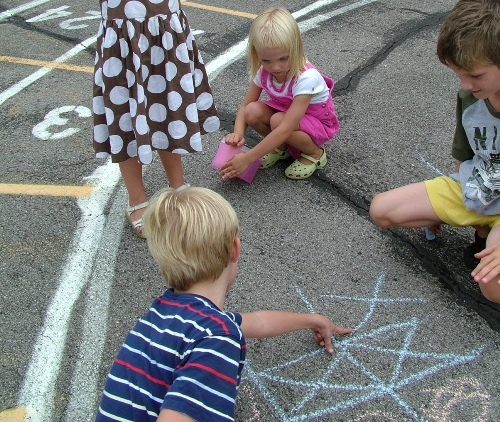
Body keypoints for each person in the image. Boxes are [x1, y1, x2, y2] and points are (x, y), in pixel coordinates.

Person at [95, 186, 352, 421]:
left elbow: (257, 322)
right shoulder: (217, 337)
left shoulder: (169, 310)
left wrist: (313, 319)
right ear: (234, 249)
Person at [369, 0, 500, 304]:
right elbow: (466, 153)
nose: (465, 84)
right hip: (478, 188)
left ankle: (486, 235)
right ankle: (479, 229)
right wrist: (448, 208)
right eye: (458, 74)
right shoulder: (470, 96)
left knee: (490, 284)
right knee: (381, 210)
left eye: (475, 75)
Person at [93, 0, 220, 239]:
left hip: (165, 26)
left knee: (170, 106)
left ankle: (177, 185)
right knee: (125, 113)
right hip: (122, 29)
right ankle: (137, 197)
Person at [220, 7, 340, 181]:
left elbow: (285, 128)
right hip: (288, 117)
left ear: (296, 48)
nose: (275, 67)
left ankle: (315, 153)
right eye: (266, 60)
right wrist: (238, 133)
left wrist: (248, 157)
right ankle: (282, 147)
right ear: (257, 54)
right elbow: (245, 106)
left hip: (317, 123)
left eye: (283, 58)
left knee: (278, 121)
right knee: (252, 111)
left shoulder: (306, 77)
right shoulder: (263, 71)